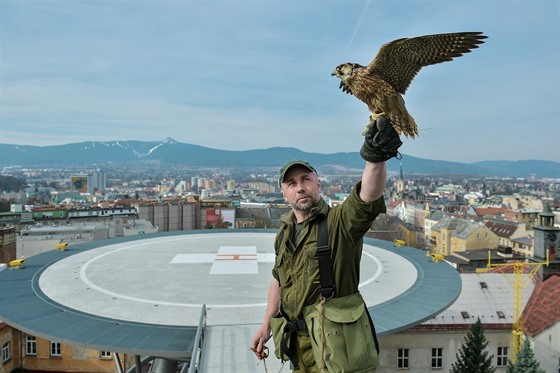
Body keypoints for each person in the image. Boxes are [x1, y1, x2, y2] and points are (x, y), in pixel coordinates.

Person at [250, 115, 403, 372]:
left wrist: (375, 157)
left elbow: (366, 198)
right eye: (292, 183)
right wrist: (267, 323)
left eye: (306, 180)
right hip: (298, 348)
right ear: (283, 192)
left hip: (335, 350)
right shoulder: (285, 232)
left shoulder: (338, 224)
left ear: (318, 184)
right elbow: (278, 278)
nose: (300, 187)